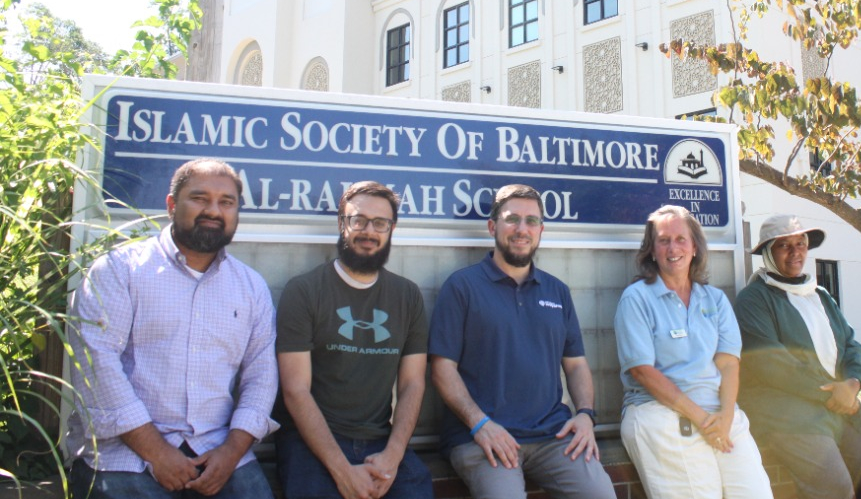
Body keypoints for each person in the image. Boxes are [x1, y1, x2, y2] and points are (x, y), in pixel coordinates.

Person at [67, 158, 278, 499]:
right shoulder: (119, 271)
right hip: (124, 454)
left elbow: (261, 376)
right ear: (171, 205)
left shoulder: (251, 287)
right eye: (199, 198)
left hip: (218, 449)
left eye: (226, 202)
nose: (214, 210)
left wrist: (231, 453)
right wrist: (158, 453)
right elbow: (97, 367)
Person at [429, 184, 617, 499]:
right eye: (512, 219)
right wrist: (479, 424)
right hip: (481, 437)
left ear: (541, 230)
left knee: (601, 494)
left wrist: (585, 414)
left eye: (531, 221)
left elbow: (576, 365)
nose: (522, 229)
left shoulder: (557, 291)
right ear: (493, 227)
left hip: (552, 436)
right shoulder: (462, 286)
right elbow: (441, 369)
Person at [274, 181, 432, 499]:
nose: (368, 231)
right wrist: (342, 470)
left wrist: (394, 454)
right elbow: (295, 390)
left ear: (392, 228)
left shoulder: (407, 296)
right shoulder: (304, 290)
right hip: (310, 442)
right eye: (358, 220)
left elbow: (413, 384)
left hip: (379, 439)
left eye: (380, 223)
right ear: (341, 223)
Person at [734, 215, 861, 499]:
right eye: (783, 245)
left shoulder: (821, 295)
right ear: (767, 252)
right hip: (788, 413)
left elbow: (850, 345)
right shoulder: (755, 299)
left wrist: (852, 385)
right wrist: (831, 394)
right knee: (834, 488)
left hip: (841, 408)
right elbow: (771, 364)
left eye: (800, 244)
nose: (795, 252)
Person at [614, 205, 772, 499]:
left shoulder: (714, 299)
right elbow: (642, 372)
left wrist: (725, 416)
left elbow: (728, 364)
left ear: (696, 247)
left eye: (680, 239)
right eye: (663, 240)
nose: (672, 248)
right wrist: (701, 419)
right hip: (661, 413)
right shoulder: (636, 299)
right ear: (652, 249)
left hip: (720, 416)